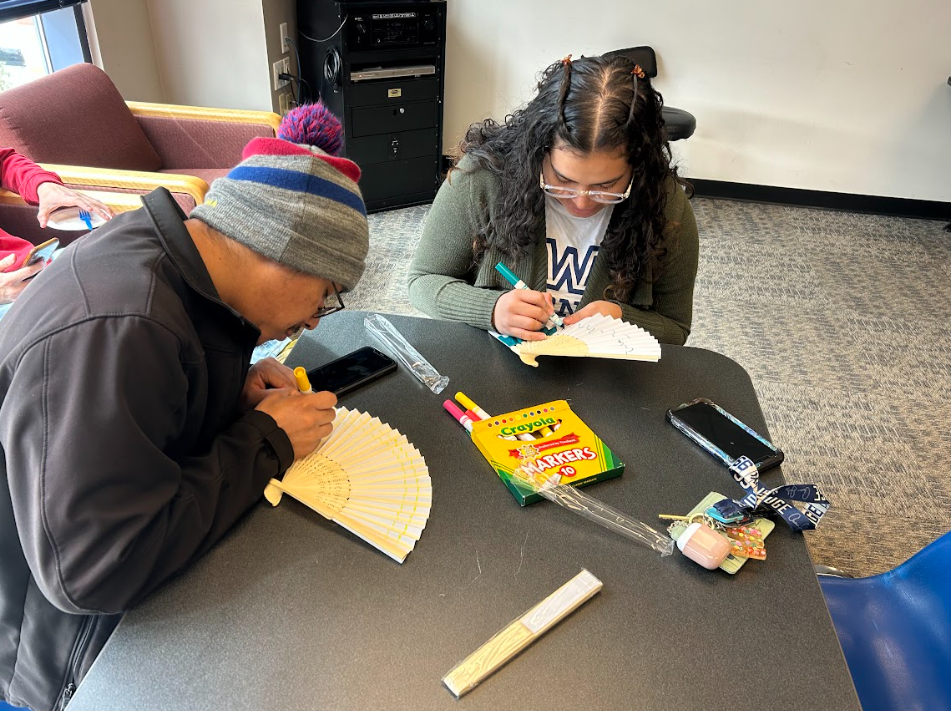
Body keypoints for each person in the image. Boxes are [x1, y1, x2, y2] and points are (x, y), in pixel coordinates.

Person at [0, 103, 369, 711]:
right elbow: (91, 573)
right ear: (276, 253)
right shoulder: (122, 329)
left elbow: (149, 405)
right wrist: (266, 442)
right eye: (324, 294)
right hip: (67, 656)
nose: (312, 318)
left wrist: (236, 386)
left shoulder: (174, 260)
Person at [408, 54, 699, 345]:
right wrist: (492, 310)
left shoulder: (667, 205)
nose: (582, 203)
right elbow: (423, 281)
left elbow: (675, 328)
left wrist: (623, 318)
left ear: (638, 168)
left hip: (602, 377)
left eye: (607, 185)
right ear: (537, 152)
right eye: (562, 180)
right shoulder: (481, 178)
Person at [0, 148, 114, 318]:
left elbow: (4, 162)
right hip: (12, 306)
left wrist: (43, 185)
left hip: (36, 268)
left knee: (124, 263)